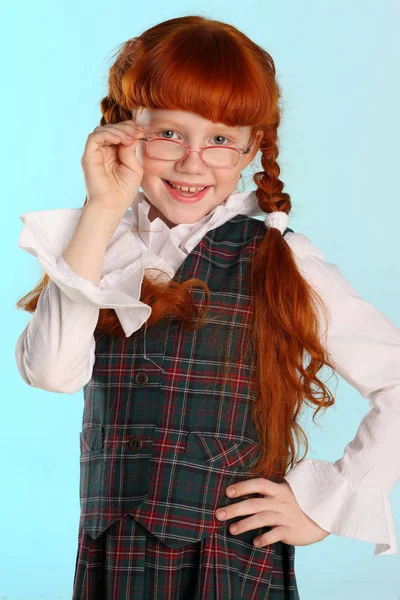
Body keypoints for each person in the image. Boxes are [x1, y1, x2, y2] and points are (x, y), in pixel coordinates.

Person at [14, 15, 400, 600]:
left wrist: (328, 505)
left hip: (223, 562)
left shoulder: (280, 257)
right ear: (125, 130)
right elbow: (50, 373)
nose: (193, 163)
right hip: (112, 558)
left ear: (251, 148)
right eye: (168, 134)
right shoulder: (99, 249)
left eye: (221, 139)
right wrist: (100, 210)